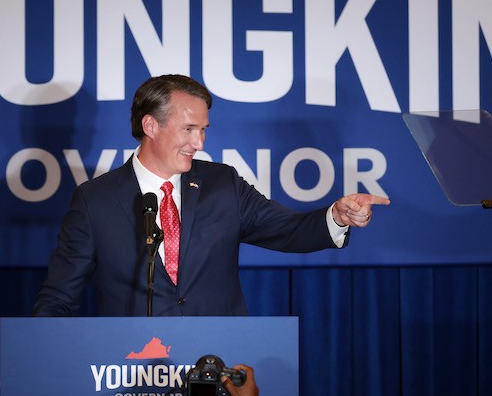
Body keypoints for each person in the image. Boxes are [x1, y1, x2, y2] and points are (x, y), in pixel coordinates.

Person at [33, 74, 390, 317]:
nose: (199, 143)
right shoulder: (94, 200)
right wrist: (45, 355)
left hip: (217, 364)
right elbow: (59, 296)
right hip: (130, 375)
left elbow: (290, 229)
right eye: (188, 129)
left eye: (203, 130)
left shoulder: (223, 185)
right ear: (150, 125)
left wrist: (337, 216)